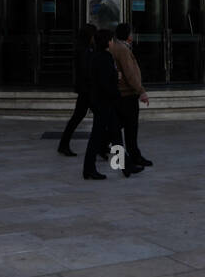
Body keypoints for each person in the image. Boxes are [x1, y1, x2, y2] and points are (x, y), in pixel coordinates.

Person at [85, 30, 140, 179]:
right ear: (106, 42)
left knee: (116, 136)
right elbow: (105, 82)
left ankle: (125, 166)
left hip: (102, 102)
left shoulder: (96, 56)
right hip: (104, 103)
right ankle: (89, 168)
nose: (112, 42)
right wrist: (116, 77)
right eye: (110, 40)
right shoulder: (104, 57)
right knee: (97, 137)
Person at [110, 23, 152, 169]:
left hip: (121, 94)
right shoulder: (123, 50)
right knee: (130, 128)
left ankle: (122, 156)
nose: (132, 35)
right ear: (127, 34)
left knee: (117, 128)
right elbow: (130, 73)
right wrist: (141, 91)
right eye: (131, 32)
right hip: (127, 95)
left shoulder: (116, 47)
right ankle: (133, 157)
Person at [58, 24, 96, 157]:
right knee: (82, 117)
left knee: (78, 117)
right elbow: (86, 71)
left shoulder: (84, 48)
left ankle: (64, 144)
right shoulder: (85, 50)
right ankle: (64, 144)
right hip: (87, 90)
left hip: (85, 89)